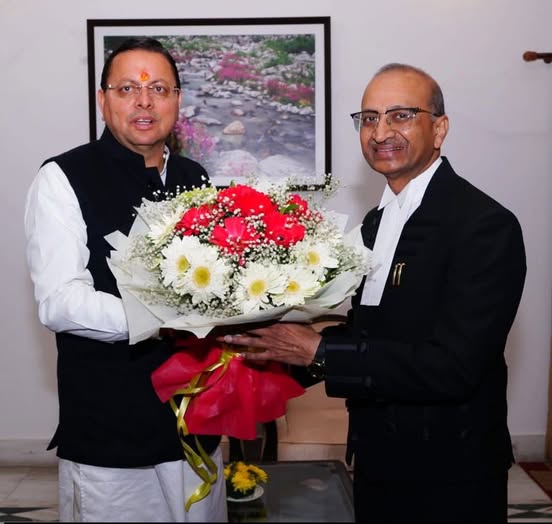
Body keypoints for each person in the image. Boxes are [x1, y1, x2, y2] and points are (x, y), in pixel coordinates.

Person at [219, 63, 527, 523]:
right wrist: (267, 352)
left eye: (401, 115)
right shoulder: (376, 222)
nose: (380, 132)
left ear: (439, 128)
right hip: (376, 459)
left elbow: (455, 366)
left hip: (451, 471)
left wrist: (321, 351)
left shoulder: (483, 225)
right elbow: (371, 331)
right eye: (368, 118)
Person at [24, 37, 227, 522]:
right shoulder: (63, 177)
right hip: (111, 431)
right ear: (103, 99)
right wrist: (165, 319)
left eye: (158, 88)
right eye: (127, 88)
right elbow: (59, 301)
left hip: (196, 427)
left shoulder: (196, 178)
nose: (144, 101)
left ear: (177, 99)